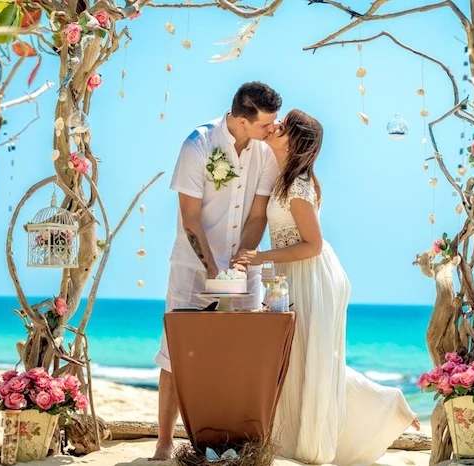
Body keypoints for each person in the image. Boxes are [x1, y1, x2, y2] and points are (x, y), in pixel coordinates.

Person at [233, 109, 420, 466]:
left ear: (295, 140)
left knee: (313, 359)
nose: (274, 128)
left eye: (282, 127)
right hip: (295, 273)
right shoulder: (282, 178)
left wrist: (260, 257)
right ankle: (378, 406)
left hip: (312, 275)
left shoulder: (298, 186)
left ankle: (382, 408)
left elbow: (312, 245)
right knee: (307, 359)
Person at [152, 82, 282, 461]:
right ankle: (163, 442)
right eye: (264, 125)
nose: (271, 130)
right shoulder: (198, 144)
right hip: (193, 267)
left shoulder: (265, 154)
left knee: (244, 353)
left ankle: (238, 442)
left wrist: (243, 257)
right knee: (175, 354)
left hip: (244, 270)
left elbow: (258, 214)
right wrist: (212, 267)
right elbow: (190, 217)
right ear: (243, 121)